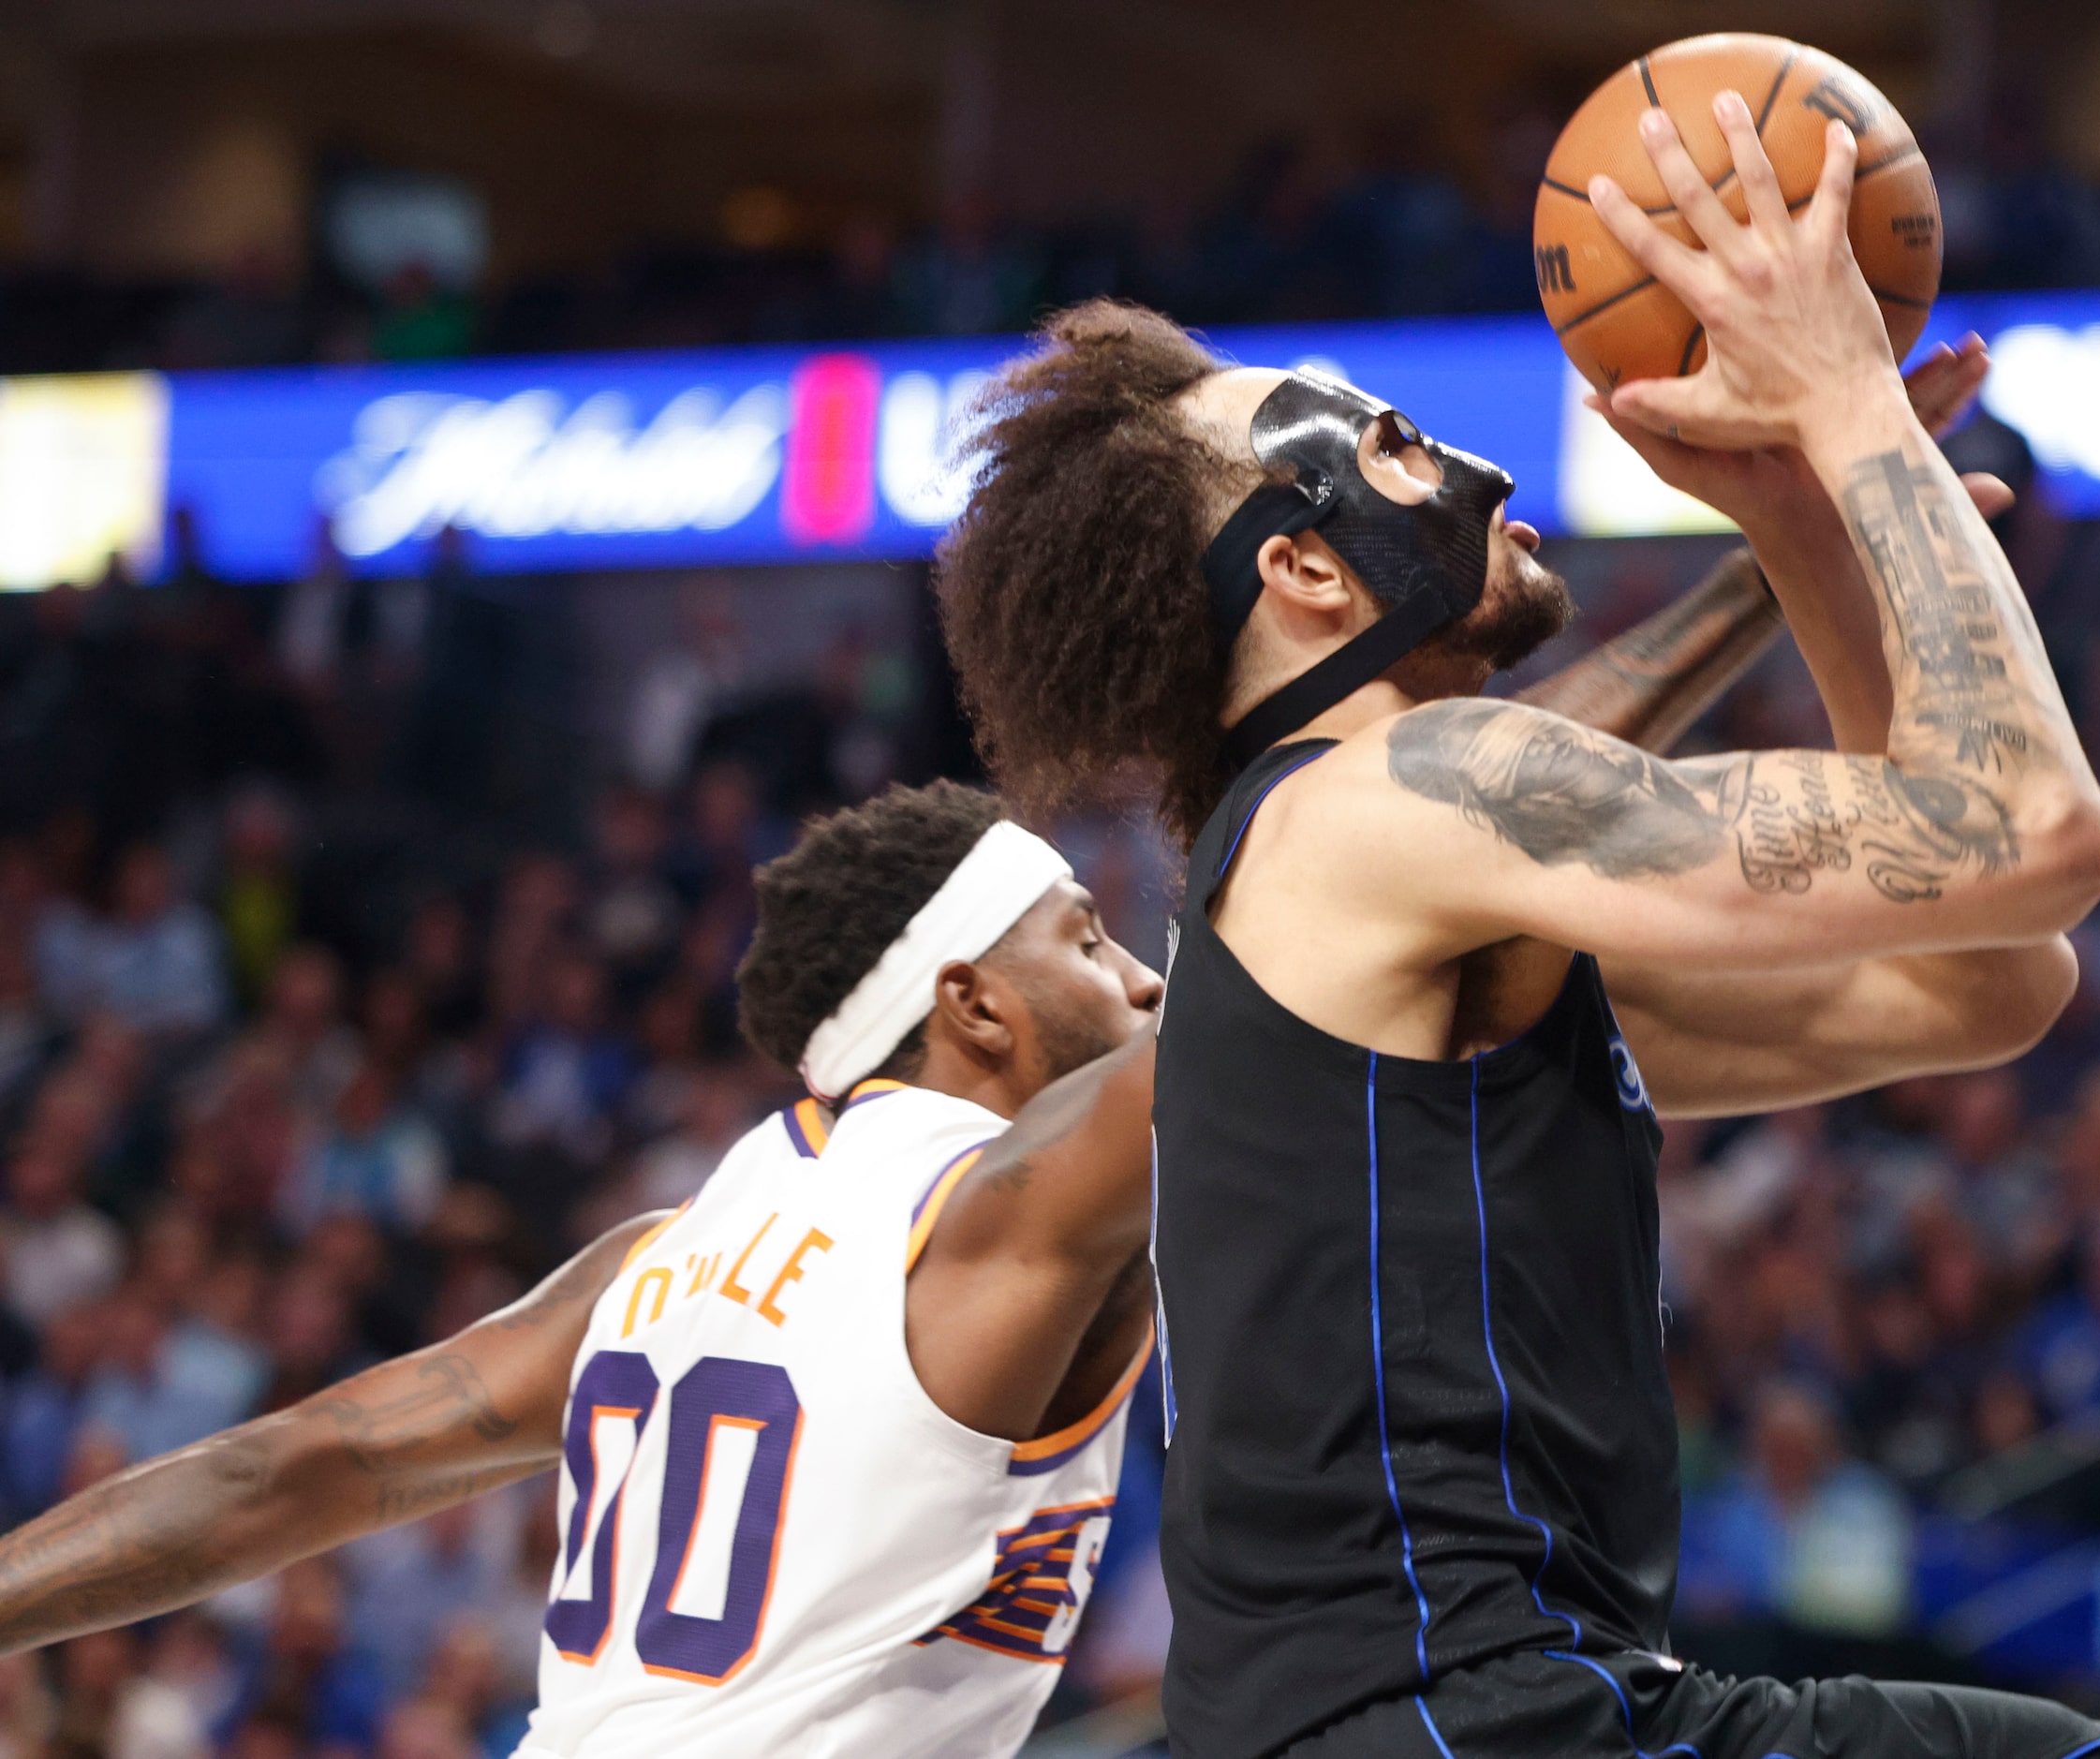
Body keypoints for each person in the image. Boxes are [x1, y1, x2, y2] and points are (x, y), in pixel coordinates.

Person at [0, 525, 1820, 1754]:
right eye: (1090, 945)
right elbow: (1409, 859)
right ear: (971, 1006)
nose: (1132, 980)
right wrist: (1754, 587)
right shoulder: (1005, 1209)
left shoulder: (649, 1259)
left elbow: (282, 1473)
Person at [938, 96, 2100, 1759]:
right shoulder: (1395, 790)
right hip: (1478, 1719)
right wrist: (1845, 399)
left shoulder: (1360, 916)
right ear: (1302, 570)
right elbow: (2037, 831)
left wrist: (1793, 510)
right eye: (1386, 442)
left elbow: (1983, 977)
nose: (1474, 462)